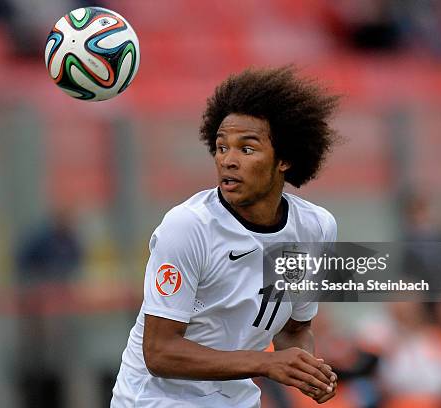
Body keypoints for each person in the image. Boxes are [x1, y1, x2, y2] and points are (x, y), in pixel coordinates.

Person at [111, 66, 340, 407]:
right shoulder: (188, 227)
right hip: (156, 400)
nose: (228, 161)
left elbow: (293, 329)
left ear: (285, 159)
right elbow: (159, 352)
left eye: (246, 149)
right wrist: (266, 362)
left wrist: (306, 370)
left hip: (236, 400)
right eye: (221, 148)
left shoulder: (316, 228)